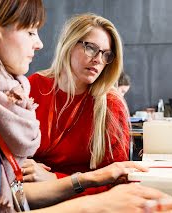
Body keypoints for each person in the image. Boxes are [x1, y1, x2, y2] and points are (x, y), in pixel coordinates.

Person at [0, 1, 167, 212]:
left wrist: (92, 178)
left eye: (106, 55)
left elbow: (16, 194)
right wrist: (96, 203)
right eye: (30, 32)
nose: (39, 44)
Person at [27, 13, 130, 195]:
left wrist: (55, 180)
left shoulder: (111, 105)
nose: (98, 59)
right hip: (31, 197)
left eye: (106, 55)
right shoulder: (33, 86)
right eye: (91, 48)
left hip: (86, 204)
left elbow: (117, 181)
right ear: (69, 44)